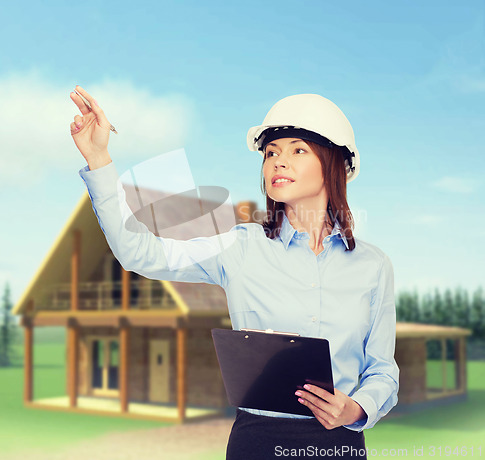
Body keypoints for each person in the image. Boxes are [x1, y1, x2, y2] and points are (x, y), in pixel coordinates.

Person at [70, 86, 399, 460]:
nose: (278, 161)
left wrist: (356, 409)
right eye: (271, 152)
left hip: (339, 445)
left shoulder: (373, 266)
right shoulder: (238, 247)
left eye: (297, 150)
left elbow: (383, 371)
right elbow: (138, 252)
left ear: (336, 163)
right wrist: (99, 158)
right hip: (256, 442)